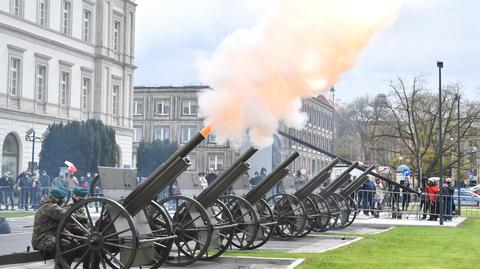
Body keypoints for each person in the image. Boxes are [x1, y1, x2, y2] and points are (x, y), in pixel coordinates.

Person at [31, 188, 72, 269]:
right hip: (41, 239)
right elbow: (67, 216)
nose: (63, 201)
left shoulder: (52, 206)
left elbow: (57, 226)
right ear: (56, 199)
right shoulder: (49, 207)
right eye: (62, 199)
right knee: (64, 245)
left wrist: (69, 234)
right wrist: (70, 206)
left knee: (73, 243)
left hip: (50, 236)